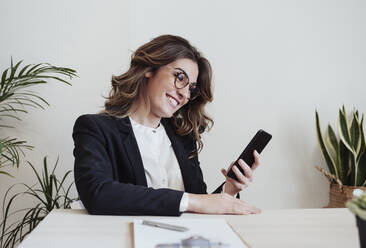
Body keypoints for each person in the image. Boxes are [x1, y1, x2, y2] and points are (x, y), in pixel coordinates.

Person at [73, 34, 261, 216]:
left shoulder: (183, 137)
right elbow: (98, 194)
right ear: (149, 69)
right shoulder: (95, 128)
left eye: (191, 89)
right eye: (180, 78)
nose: (185, 95)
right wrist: (193, 201)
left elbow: (200, 204)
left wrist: (229, 190)